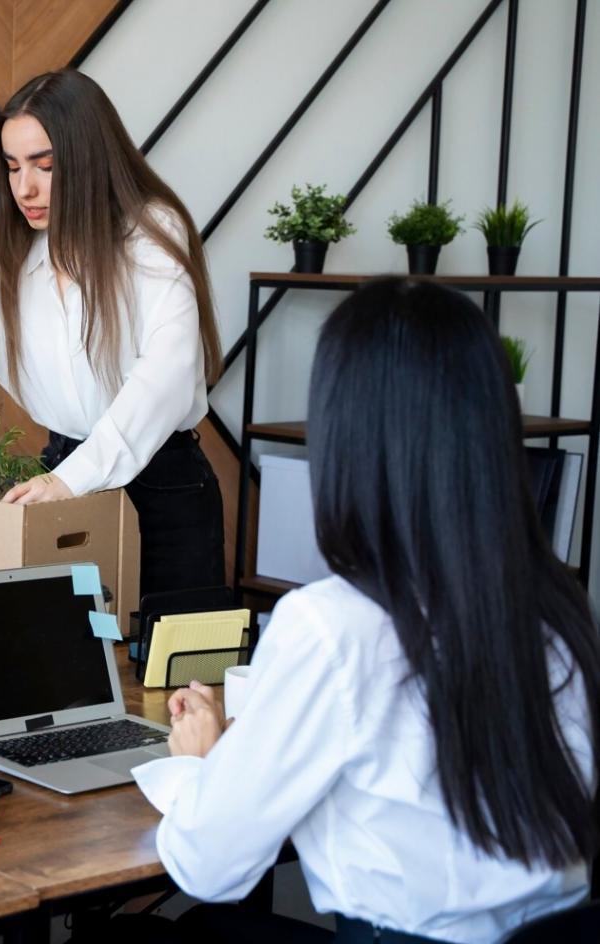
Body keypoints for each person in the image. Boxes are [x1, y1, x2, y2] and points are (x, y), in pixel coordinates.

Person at [127, 279, 599, 942]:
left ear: (347, 436)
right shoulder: (555, 604)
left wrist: (204, 765)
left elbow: (207, 867)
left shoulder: (330, 625)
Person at [0, 70, 225, 598]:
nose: (24, 188)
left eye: (45, 166)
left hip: (162, 489)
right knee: (69, 670)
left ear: (89, 159)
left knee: (175, 675)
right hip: (58, 477)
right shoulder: (4, 247)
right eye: (12, 167)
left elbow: (165, 376)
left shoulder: (150, 234)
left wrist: (73, 479)